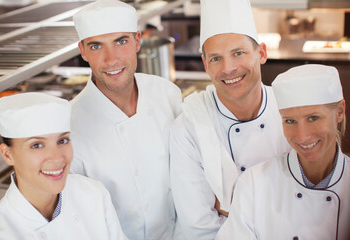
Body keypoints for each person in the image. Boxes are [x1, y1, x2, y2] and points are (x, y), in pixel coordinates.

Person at [169, 0, 290, 238]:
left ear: (261, 53)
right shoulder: (188, 128)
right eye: (216, 58)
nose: (228, 68)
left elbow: (306, 200)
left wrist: (228, 209)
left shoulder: (289, 110)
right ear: (205, 64)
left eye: (238, 53)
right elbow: (199, 227)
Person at [70, 0, 183, 239]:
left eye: (121, 42)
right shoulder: (68, 125)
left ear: (138, 41)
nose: (111, 59)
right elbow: (77, 217)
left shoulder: (167, 94)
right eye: (96, 46)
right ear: (83, 51)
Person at [216, 64, 350, 240]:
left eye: (313, 118)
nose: (302, 136)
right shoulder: (254, 184)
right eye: (290, 121)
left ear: (339, 112)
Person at [0, 92, 127, 240]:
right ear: (7, 154)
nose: (56, 157)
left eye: (62, 141)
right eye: (37, 145)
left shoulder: (94, 195)